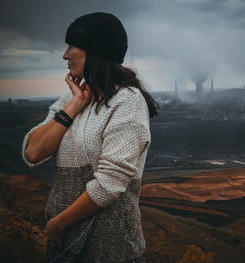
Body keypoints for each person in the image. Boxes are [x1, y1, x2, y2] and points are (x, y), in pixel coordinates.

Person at [21, 12, 159, 262]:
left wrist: (58, 224)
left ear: (96, 51)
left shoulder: (128, 101)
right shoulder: (72, 99)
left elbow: (110, 183)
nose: (65, 55)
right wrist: (73, 106)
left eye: (72, 45)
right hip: (61, 246)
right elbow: (33, 153)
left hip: (111, 249)